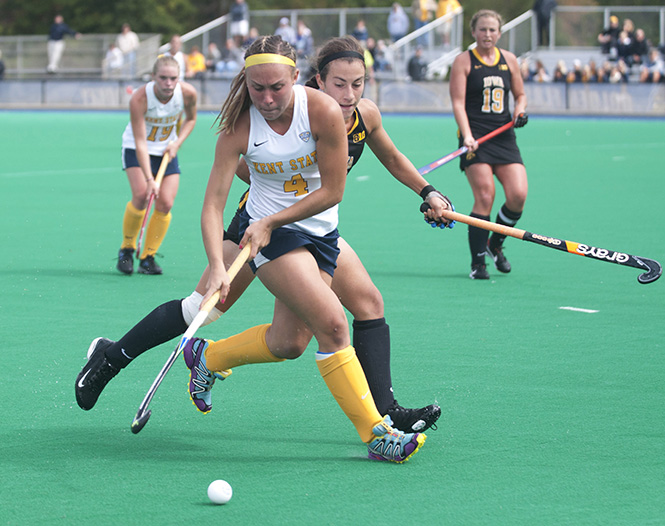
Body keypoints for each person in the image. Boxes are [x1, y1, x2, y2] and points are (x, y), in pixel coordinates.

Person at [78, 35, 436, 463]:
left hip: (315, 230)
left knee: (293, 340)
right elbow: (212, 203)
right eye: (257, 88)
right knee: (317, 323)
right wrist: (218, 262)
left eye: (277, 88)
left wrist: (428, 191)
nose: (267, 99)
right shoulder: (239, 127)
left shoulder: (323, 112)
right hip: (268, 233)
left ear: (297, 79)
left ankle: (206, 357)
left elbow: (335, 190)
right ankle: (378, 430)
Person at [449, 10, 529, 280]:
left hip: (504, 136)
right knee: (485, 195)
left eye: (492, 30)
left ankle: (495, 244)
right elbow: (458, 103)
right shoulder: (463, 61)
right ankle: (478, 263)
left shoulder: (509, 60)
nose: (487, 35)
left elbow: (520, 95)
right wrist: (467, 135)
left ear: (500, 33)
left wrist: (519, 112)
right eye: (482, 30)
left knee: (518, 195)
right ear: (474, 32)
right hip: (476, 137)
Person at [115, 55, 197, 275]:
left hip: (166, 151)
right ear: (153, 77)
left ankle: (148, 257)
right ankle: (127, 248)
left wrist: (177, 143)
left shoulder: (187, 93)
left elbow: (190, 119)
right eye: (163, 78)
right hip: (136, 148)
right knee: (142, 195)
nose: (168, 83)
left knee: (166, 203)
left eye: (173, 78)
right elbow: (140, 142)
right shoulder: (140, 99)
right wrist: (150, 180)